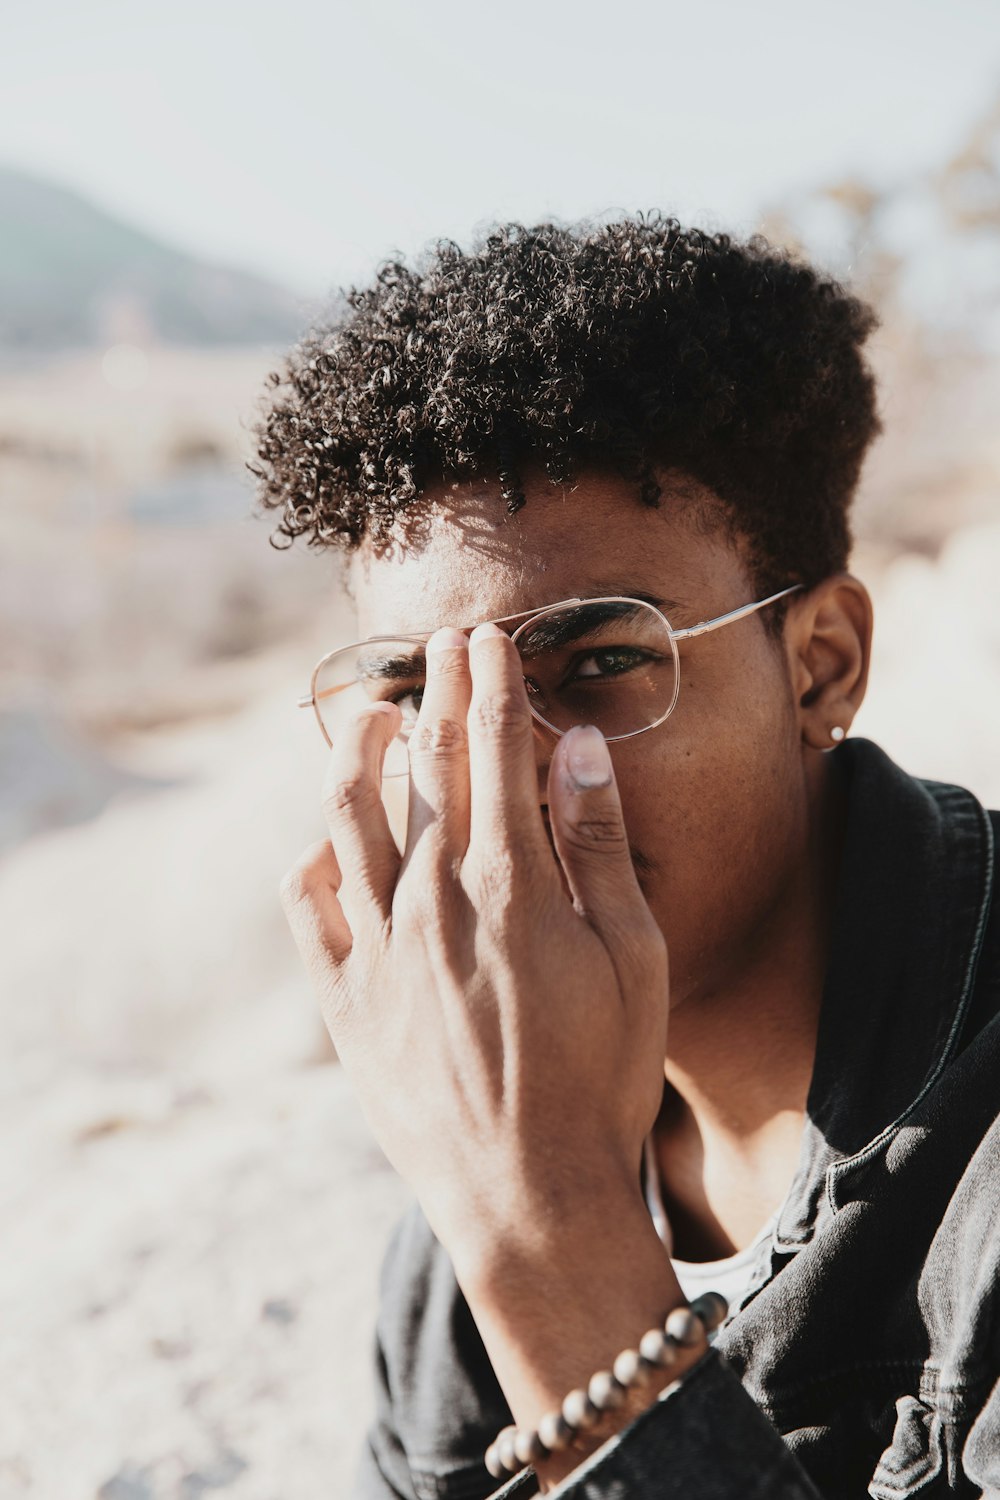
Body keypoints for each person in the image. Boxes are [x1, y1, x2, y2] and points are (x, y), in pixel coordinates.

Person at [252, 216, 1000, 1498]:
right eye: (418, 698)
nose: (498, 772)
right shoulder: (473, 1179)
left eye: (594, 667)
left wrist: (548, 1241)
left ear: (820, 665)